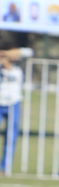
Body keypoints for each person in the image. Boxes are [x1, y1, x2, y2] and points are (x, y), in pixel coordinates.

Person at [0, 44, 30, 173]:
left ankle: (4, 168)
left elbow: (29, 51)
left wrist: (7, 54)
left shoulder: (19, 67)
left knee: (11, 137)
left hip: (14, 103)